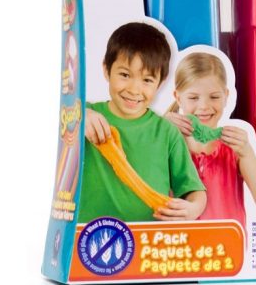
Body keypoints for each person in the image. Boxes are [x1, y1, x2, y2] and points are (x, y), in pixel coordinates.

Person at [78, 22, 206, 223]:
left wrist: (193, 208)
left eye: (147, 80)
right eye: (125, 75)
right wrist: (80, 114)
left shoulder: (166, 132)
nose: (134, 89)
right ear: (106, 70)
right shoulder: (84, 115)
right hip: (89, 236)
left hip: (150, 238)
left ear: (161, 82)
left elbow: (194, 190)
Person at [165, 52, 256, 229]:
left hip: (226, 244)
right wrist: (159, 132)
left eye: (214, 97)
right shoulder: (169, 144)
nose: (204, 106)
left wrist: (247, 154)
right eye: (193, 98)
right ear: (178, 98)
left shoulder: (233, 147)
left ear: (226, 96)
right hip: (179, 244)